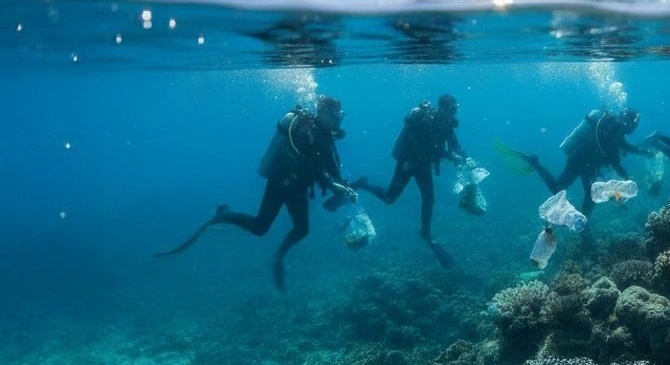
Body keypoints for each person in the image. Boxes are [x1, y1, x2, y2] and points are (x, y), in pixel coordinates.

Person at [155, 95, 355, 292]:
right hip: (281, 182)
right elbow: (305, 163)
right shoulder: (303, 127)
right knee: (261, 227)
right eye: (336, 114)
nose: (339, 119)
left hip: (299, 187)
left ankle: (277, 257)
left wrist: (343, 184)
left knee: (302, 229)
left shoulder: (326, 135)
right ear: (323, 112)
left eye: (339, 114)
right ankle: (223, 215)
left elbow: (331, 163)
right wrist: (330, 184)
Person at [351, 94, 465, 267]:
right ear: (441, 107)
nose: (453, 113)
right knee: (390, 198)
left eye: (455, 109)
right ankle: (363, 184)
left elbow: (452, 147)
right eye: (451, 110)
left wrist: (460, 157)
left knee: (429, 199)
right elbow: (412, 141)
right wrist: (407, 161)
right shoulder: (425, 120)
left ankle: (425, 231)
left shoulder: (447, 124)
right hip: (408, 162)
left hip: (424, 165)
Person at [520, 108, 648, 218]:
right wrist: (628, 177)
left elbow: (624, 146)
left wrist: (642, 153)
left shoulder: (612, 127)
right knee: (592, 194)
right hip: (588, 164)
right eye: (634, 125)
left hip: (576, 158)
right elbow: (614, 159)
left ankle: (536, 164)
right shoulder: (614, 132)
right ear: (629, 123)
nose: (633, 129)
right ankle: (585, 224)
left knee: (558, 188)